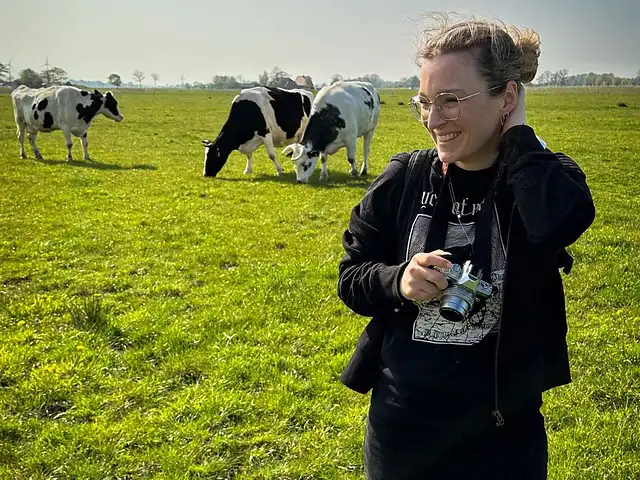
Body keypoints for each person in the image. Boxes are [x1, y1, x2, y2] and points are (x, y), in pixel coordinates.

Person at [336, 13, 596, 480]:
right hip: (402, 436)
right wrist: (398, 280)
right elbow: (351, 277)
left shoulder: (542, 179)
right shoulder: (405, 179)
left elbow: (556, 224)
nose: (433, 120)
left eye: (451, 101)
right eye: (424, 102)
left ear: (508, 97)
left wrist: (516, 135)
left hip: (502, 441)